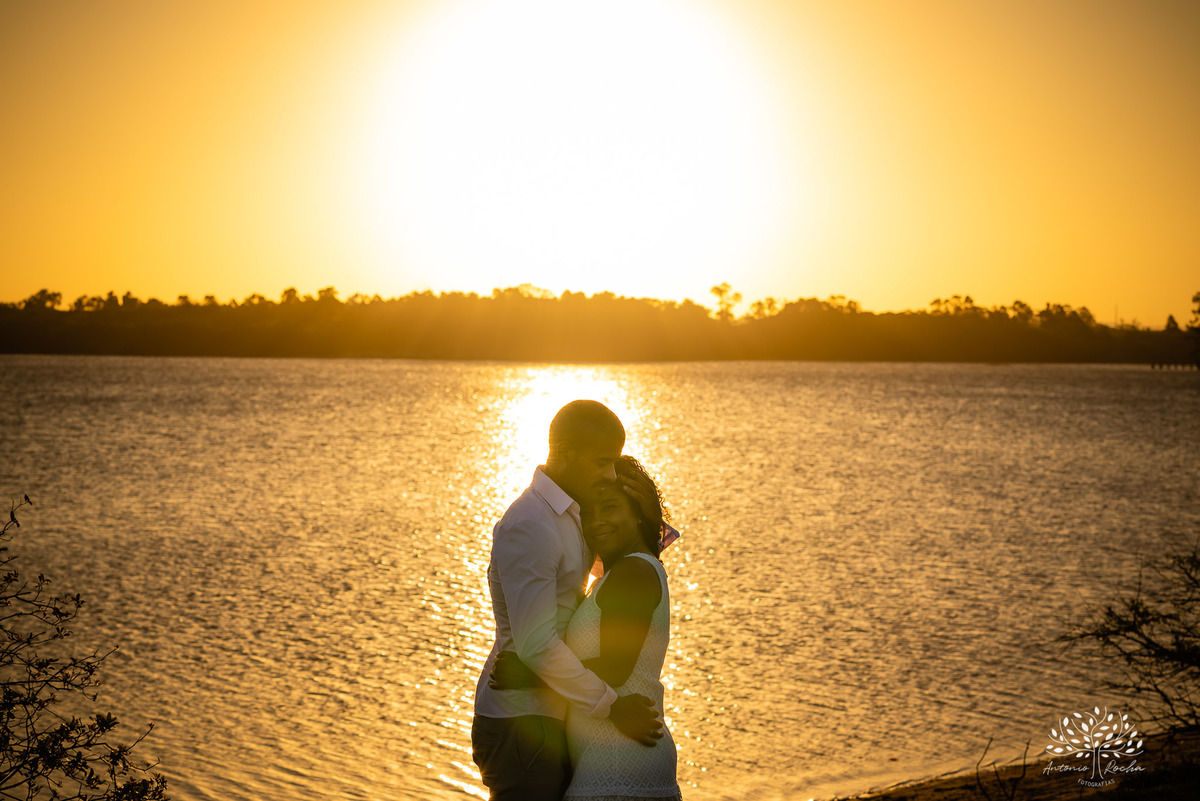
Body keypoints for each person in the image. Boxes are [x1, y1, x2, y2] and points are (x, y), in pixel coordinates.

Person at [472, 400, 664, 801]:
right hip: (521, 717)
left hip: (549, 712)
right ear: (564, 453)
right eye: (602, 462)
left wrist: (647, 515)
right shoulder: (532, 524)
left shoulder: (574, 515)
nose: (610, 473)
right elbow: (536, 645)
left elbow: (628, 572)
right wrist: (612, 707)